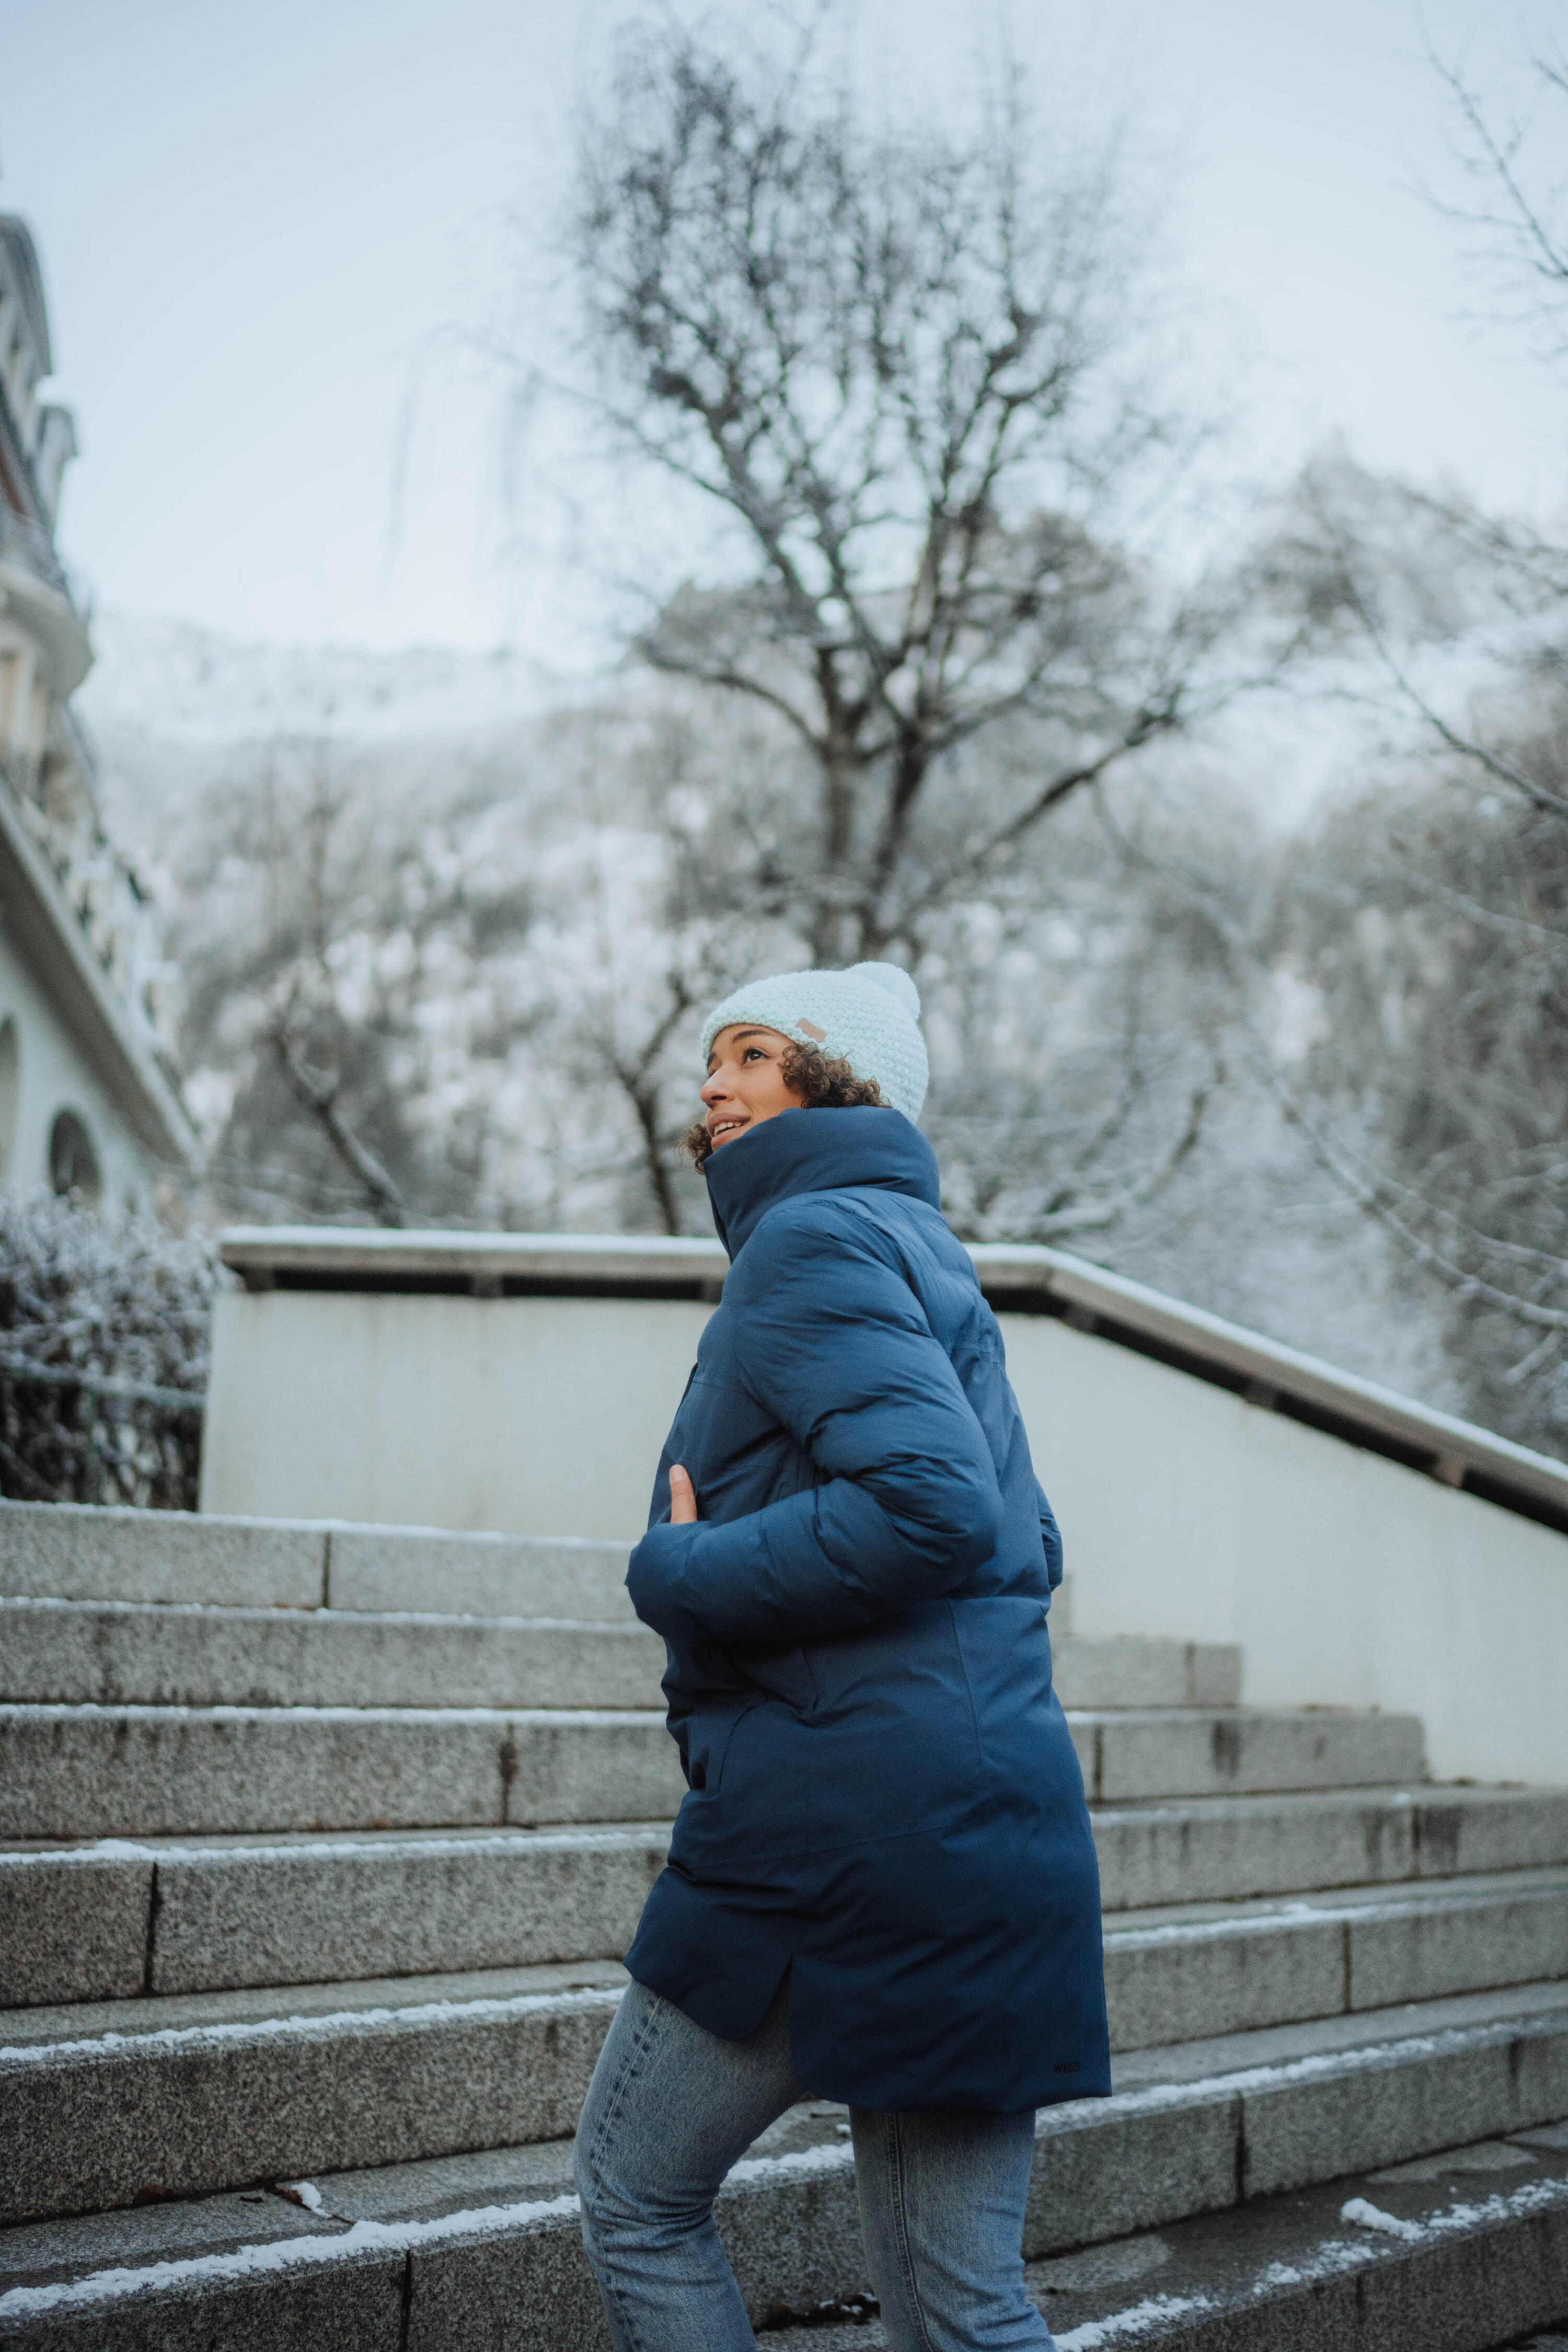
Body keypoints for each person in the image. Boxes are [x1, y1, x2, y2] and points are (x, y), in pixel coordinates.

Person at [574, 961, 1110, 2352]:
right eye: (713, 1059)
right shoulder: (917, 1246)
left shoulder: (809, 1243)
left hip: (833, 1835)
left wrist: (678, 1565)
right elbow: (1029, 1534)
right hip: (979, 1822)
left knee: (637, 2193)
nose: (713, 1083)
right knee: (960, 2302)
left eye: (753, 1053)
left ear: (840, 1081)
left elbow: (938, 1506)